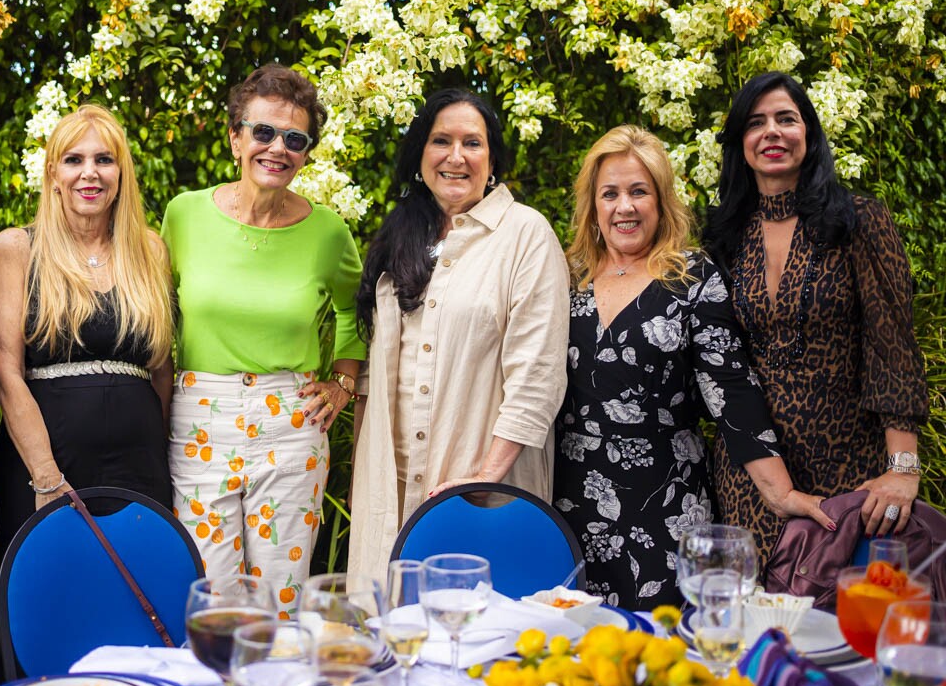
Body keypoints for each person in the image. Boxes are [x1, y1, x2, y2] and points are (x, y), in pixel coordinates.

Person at [552, 125, 830, 611]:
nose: (625, 207)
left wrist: (780, 491)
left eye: (640, 191)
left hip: (666, 505)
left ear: (661, 201)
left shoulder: (692, 277)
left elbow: (732, 390)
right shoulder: (565, 279)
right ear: (592, 206)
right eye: (610, 193)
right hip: (571, 502)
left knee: (666, 657)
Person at [347, 89, 570, 587]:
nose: (455, 156)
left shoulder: (526, 235)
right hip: (391, 484)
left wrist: (484, 479)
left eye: (472, 142)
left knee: (474, 638)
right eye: (440, 141)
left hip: (479, 485)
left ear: (492, 160)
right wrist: (366, 476)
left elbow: (538, 375)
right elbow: (373, 375)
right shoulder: (401, 235)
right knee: (389, 634)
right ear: (420, 155)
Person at [161, 64, 365, 605]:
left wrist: (343, 384)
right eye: (264, 132)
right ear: (235, 137)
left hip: (291, 422)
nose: (278, 148)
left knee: (283, 600)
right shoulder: (184, 217)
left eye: (295, 139)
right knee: (211, 598)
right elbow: (156, 313)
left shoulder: (327, 232)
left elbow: (355, 311)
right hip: (200, 419)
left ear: (306, 152)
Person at [705, 71, 928, 558]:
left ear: (808, 132)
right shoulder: (722, 237)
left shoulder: (859, 220)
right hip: (753, 473)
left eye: (787, 119)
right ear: (740, 141)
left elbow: (892, 348)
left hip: (850, 470)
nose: (772, 133)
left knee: (841, 619)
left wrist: (903, 467)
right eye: (756, 122)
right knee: (759, 619)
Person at [0, 104, 174, 564]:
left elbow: (163, 369)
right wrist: (45, 476)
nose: (89, 173)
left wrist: (156, 450)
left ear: (121, 173)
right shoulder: (17, 248)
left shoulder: (149, 250)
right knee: (52, 596)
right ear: (53, 173)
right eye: (74, 160)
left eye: (103, 160)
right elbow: (4, 371)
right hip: (47, 466)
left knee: (139, 593)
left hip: (139, 467)